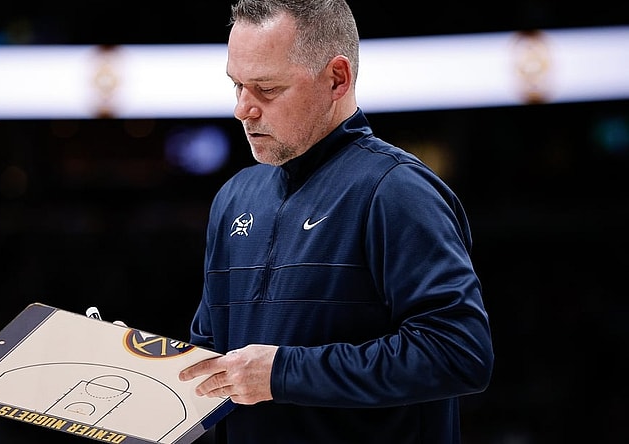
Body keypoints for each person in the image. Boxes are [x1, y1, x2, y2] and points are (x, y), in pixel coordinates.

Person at [176, 0, 495, 442]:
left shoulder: (397, 190)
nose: (243, 109)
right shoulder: (234, 197)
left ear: (337, 78)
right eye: (237, 86)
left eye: (266, 88)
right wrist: (137, 370)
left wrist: (282, 373)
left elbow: (459, 353)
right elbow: (215, 360)